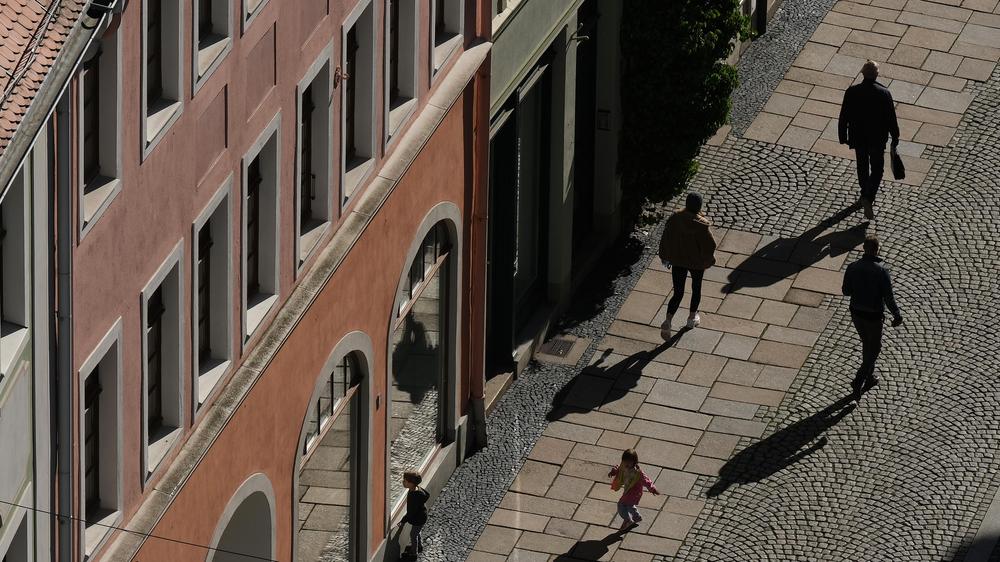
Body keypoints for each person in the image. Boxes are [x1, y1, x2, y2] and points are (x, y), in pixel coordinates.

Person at [842, 235, 903, 401]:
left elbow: (846, 291)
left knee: (867, 344)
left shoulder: (852, 267)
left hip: (856, 313)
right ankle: (859, 380)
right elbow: (888, 297)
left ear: (863, 248)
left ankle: (869, 377)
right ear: (877, 250)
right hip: (873, 316)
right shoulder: (881, 270)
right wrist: (897, 315)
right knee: (874, 349)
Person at [838, 60, 900, 220]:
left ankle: (864, 193)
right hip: (877, 138)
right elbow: (890, 118)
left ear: (862, 74)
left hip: (858, 137)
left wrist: (842, 135)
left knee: (862, 165)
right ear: (877, 74)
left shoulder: (852, 91)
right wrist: (895, 136)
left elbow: (844, 115)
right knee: (877, 169)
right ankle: (868, 196)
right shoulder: (884, 93)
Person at [658, 192, 717, 340]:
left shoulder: (675, 219)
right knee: (696, 288)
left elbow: (666, 238)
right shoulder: (702, 225)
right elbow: (710, 245)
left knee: (678, 292)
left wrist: (666, 256)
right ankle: (691, 319)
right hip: (696, 263)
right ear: (699, 206)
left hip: (678, 261)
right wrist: (708, 260)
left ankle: (668, 321)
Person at [608, 449, 659, 531]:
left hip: (634, 492)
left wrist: (652, 489)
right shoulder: (624, 466)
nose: (626, 464)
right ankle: (636, 516)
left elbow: (646, 481)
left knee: (621, 505)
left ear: (634, 461)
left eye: (629, 462)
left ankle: (628, 520)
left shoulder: (638, 473)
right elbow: (619, 468)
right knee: (629, 505)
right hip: (628, 490)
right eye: (625, 462)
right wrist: (614, 471)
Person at [400, 470, 429, 556]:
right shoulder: (417, 489)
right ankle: (419, 546)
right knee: (417, 532)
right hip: (421, 516)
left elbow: (411, 512)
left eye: (405, 481)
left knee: (413, 535)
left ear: (411, 483)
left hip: (418, 518)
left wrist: (403, 521)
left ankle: (414, 553)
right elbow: (427, 494)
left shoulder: (414, 496)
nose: (403, 482)